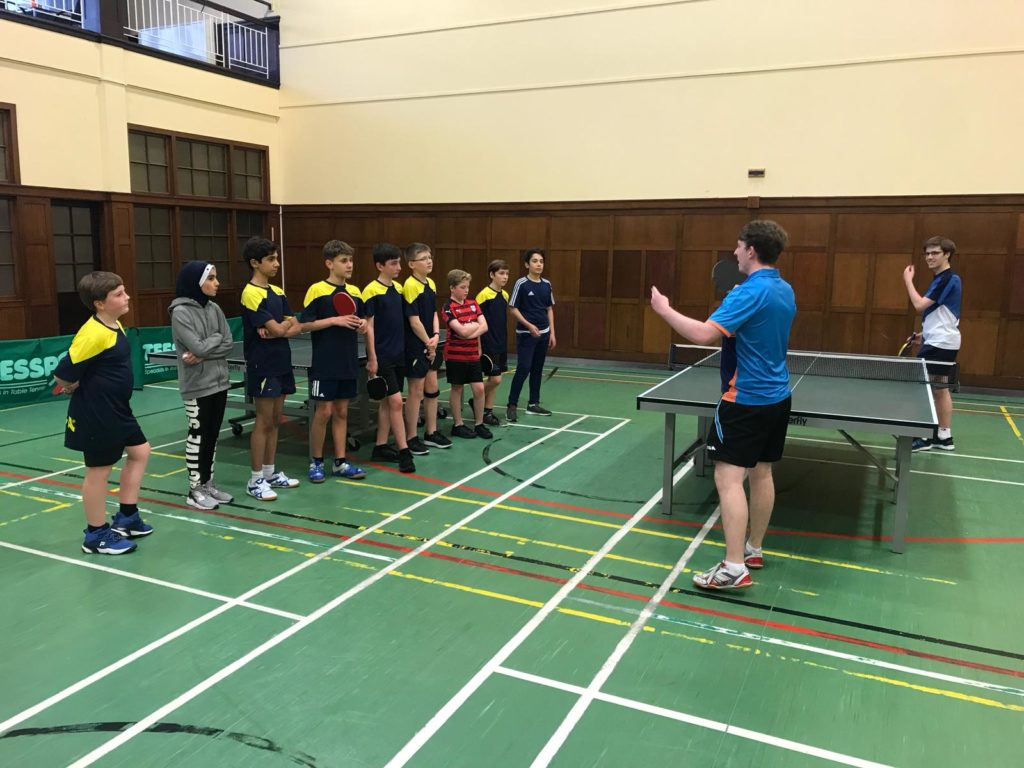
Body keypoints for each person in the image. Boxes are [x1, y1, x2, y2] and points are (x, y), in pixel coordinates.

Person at [650, 220, 795, 590]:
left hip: (744, 399)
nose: (734, 252)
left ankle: (733, 567)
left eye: (738, 246)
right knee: (763, 473)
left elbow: (703, 335)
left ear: (750, 250)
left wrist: (664, 309)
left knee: (728, 479)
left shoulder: (746, 294)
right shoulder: (785, 289)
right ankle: (754, 548)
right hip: (778, 396)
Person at [53, 271, 153, 555]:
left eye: (124, 291)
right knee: (98, 472)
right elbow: (62, 376)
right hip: (97, 413)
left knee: (140, 451)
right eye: (119, 294)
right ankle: (95, 535)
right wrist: (73, 383)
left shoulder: (114, 324)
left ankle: (127, 517)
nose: (127, 297)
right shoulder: (93, 333)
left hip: (118, 410)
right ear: (100, 303)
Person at [299, 240, 369, 483]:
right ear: (329, 263)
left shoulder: (356, 292)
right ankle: (316, 462)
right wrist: (334, 320)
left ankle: (340, 462)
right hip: (324, 361)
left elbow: (361, 321)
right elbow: (303, 324)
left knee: (341, 410)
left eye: (350, 260)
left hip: (347, 360)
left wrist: (362, 325)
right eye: (343, 260)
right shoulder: (317, 290)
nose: (349, 265)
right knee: (324, 411)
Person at [240, 236, 303, 501]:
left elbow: (294, 325)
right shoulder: (250, 293)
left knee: (277, 419)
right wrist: (280, 328)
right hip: (262, 364)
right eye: (271, 259)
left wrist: (279, 329)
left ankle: (269, 473)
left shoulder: (277, 292)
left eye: (277, 258)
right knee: (263, 421)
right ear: (255, 263)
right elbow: (281, 327)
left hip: (281, 361)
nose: (277, 264)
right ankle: (255, 480)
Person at [169, 260, 236, 510]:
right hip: (197, 386)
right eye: (211, 278)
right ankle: (194, 489)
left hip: (219, 383)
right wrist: (213, 341)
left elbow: (228, 342)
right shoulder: (180, 312)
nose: (216, 283)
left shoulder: (215, 308)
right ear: (196, 282)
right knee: (198, 436)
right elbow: (196, 347)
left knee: (212, 435)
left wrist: (208, 346)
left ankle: (208, 484)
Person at [903, 236, 961, 452]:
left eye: (935, 253)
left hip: (941, 344)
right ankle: (944, 437)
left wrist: (908, 280)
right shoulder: (942, 280)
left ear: (947, 254)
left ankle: (925, 437)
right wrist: (924, 335)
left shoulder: (947, 279)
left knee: (924, 389)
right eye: (927, 253)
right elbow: (940, 315)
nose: (929, 257)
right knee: (939, 387)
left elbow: (919, 305)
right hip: (941, 341)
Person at [363, 243, 415, 473]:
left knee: (387, 402)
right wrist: (372, 357)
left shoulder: (400, 289)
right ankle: (405, 451)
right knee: (395, 402)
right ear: (379, 265)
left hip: (399, 354)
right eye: (393, 263)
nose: (399, 267)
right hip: (382, 355)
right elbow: (369, 327)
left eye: (399, 263)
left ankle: (380, 446)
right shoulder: (370, 291)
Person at [402, 242, 451, 453]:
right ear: (412, 263)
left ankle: (431, 432)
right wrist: (426, 341)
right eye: (424, 258)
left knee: (432, 387)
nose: (429, 261)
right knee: (416, 391)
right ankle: (411, 437)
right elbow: (414, 321)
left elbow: (432, 314)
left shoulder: (430, 283)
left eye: (430, 257)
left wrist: (436, 336)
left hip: (430, 342)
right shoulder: (409, 286)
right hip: (415, 345)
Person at [506, 248, 556, 422]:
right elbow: (512, 308)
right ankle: (512, 405)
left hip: (544, 334)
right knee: (524, 368)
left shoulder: (546, 284)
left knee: (537, 369)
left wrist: (552, 333)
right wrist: (528, 325)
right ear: (527, 264)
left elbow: (549, 308)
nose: (538, 264)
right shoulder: (521, 284)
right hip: (526, 335)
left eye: (541, 261)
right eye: (535, 261)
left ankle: (533, 404)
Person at [443, 269, 492, 440]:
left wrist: (468, 330)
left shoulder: (473, 304)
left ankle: (479, 424)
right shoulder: (448, 307)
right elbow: (461, 331)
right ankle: (458, 425)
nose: (466, 290)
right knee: (457, 388)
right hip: (455, 356)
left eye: (467, 287)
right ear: (452, 288)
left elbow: (484, 327)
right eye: (462, 287)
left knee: (479, 389)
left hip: (473, 355)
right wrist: (471, 328)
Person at [475, 259, 510, 426]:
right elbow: (476, 321)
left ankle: (487, 411)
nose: (505, 277)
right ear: (492, 275)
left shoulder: (504, 295)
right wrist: (478, 344)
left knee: (496, 379)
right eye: (501, 273)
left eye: (507, 274)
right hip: (488, 343)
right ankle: (476, 397)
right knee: (495, 379)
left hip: (501, 342)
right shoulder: (483, 295)